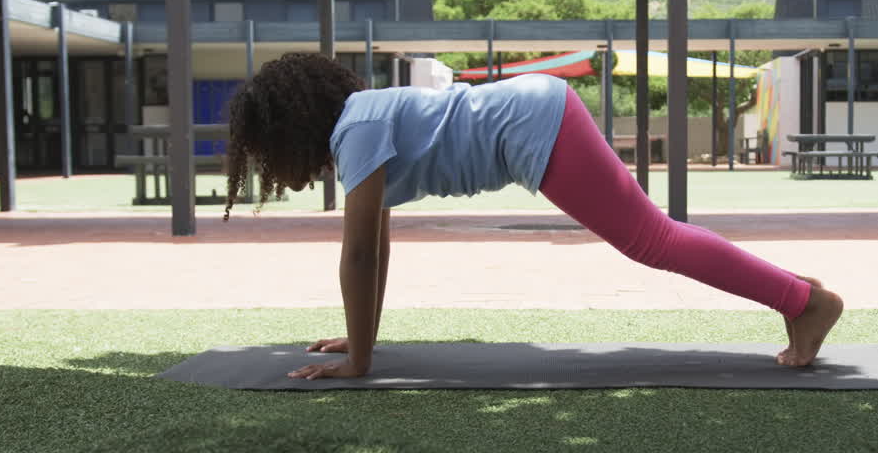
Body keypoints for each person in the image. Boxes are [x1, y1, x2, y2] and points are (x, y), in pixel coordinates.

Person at [224, 52, 843, 380]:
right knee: (654, 236)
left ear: (291, 131)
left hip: (531, 127)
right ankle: (797, 294)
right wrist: (363, 342)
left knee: (651, 240)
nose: (271, 165)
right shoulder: (361, 121)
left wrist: (357, 364)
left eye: (267, 150)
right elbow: (377, 248)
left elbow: (357, 253)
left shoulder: (357, 131)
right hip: (534, 113)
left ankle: (803, 303)